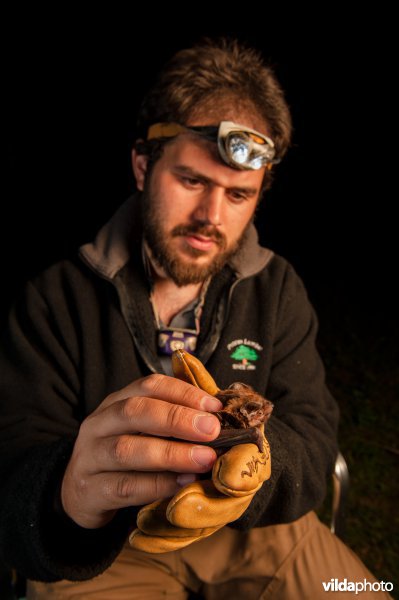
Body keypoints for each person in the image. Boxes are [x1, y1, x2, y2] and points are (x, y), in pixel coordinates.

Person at [0, 38, 392, 599]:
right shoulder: (54, 301)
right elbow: (14, 481)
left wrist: (255, 468)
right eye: (192, 181)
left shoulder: (276, 289)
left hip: (253, 533)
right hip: (111, 547)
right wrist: (65, 492)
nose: (211, 217)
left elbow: (311, 432)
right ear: (142, 165)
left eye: (238, 195)